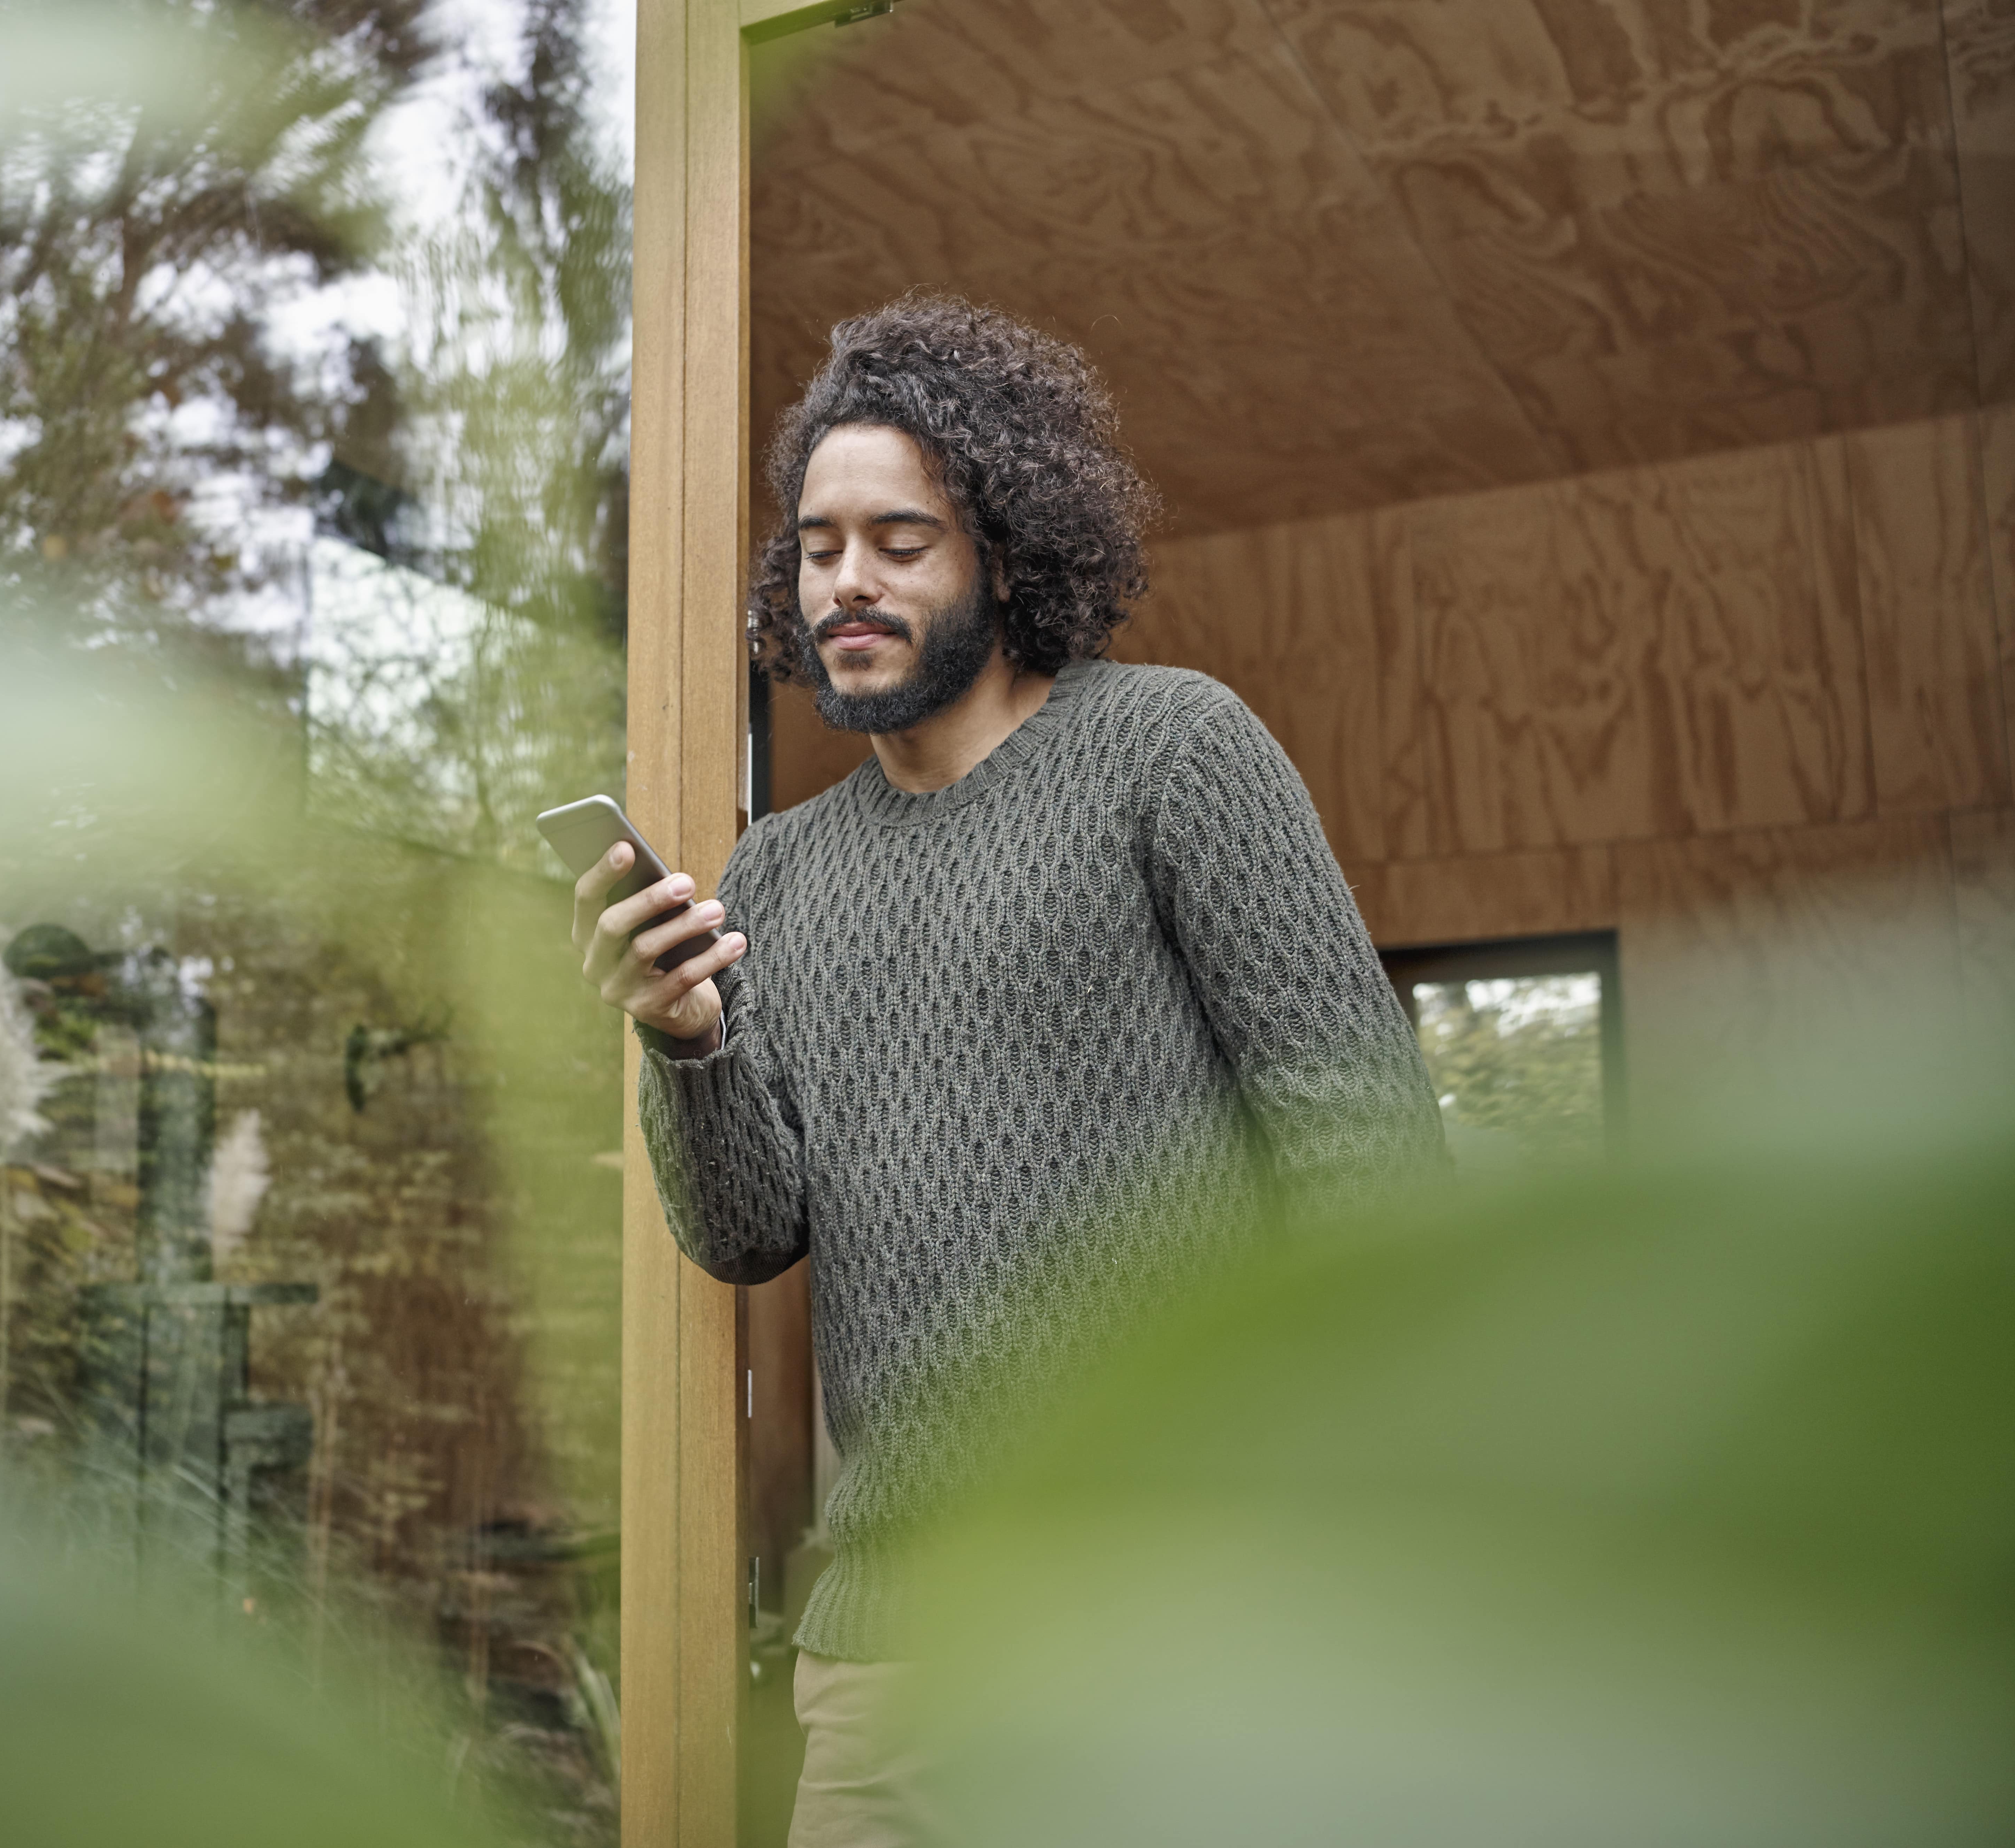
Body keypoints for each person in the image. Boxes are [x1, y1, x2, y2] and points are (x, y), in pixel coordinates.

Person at [569, 294, 1444, 1848]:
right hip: (888, 1654)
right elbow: (744, 1227)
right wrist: (682, 1033)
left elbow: (1361, 1151)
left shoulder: (1171, 749)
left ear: (1003, 551)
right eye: (820, 544)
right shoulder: (774, 874)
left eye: (899, 541)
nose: (848, 580)